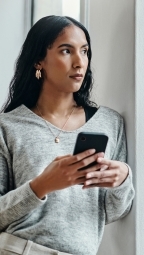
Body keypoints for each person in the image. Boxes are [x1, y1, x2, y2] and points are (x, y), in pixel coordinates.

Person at [0, 15, 135, 255]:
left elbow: (114, 212)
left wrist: (122, 181)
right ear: (39, 60)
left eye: (84, 51)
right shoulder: (8, 126)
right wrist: (41, 185)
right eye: (66, 51)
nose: (79, 62)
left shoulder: (109, 122)